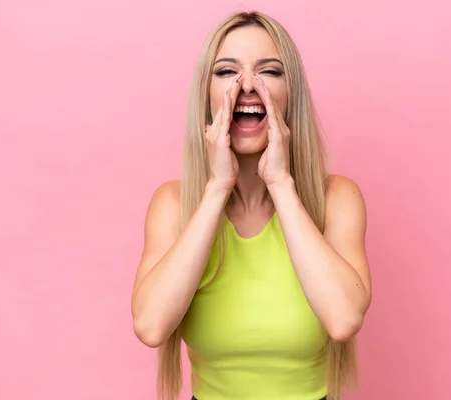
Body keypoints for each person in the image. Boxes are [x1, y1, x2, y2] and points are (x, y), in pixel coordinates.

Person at [131, 10, 372, 400]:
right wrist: (217, 187)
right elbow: (151, 327)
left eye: (270, 72)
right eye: (226, 71)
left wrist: (280, 183)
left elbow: (343, 319)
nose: (247, 86)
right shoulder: (172, 204)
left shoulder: (338, 199)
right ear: (205, 96)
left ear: (290, 93)